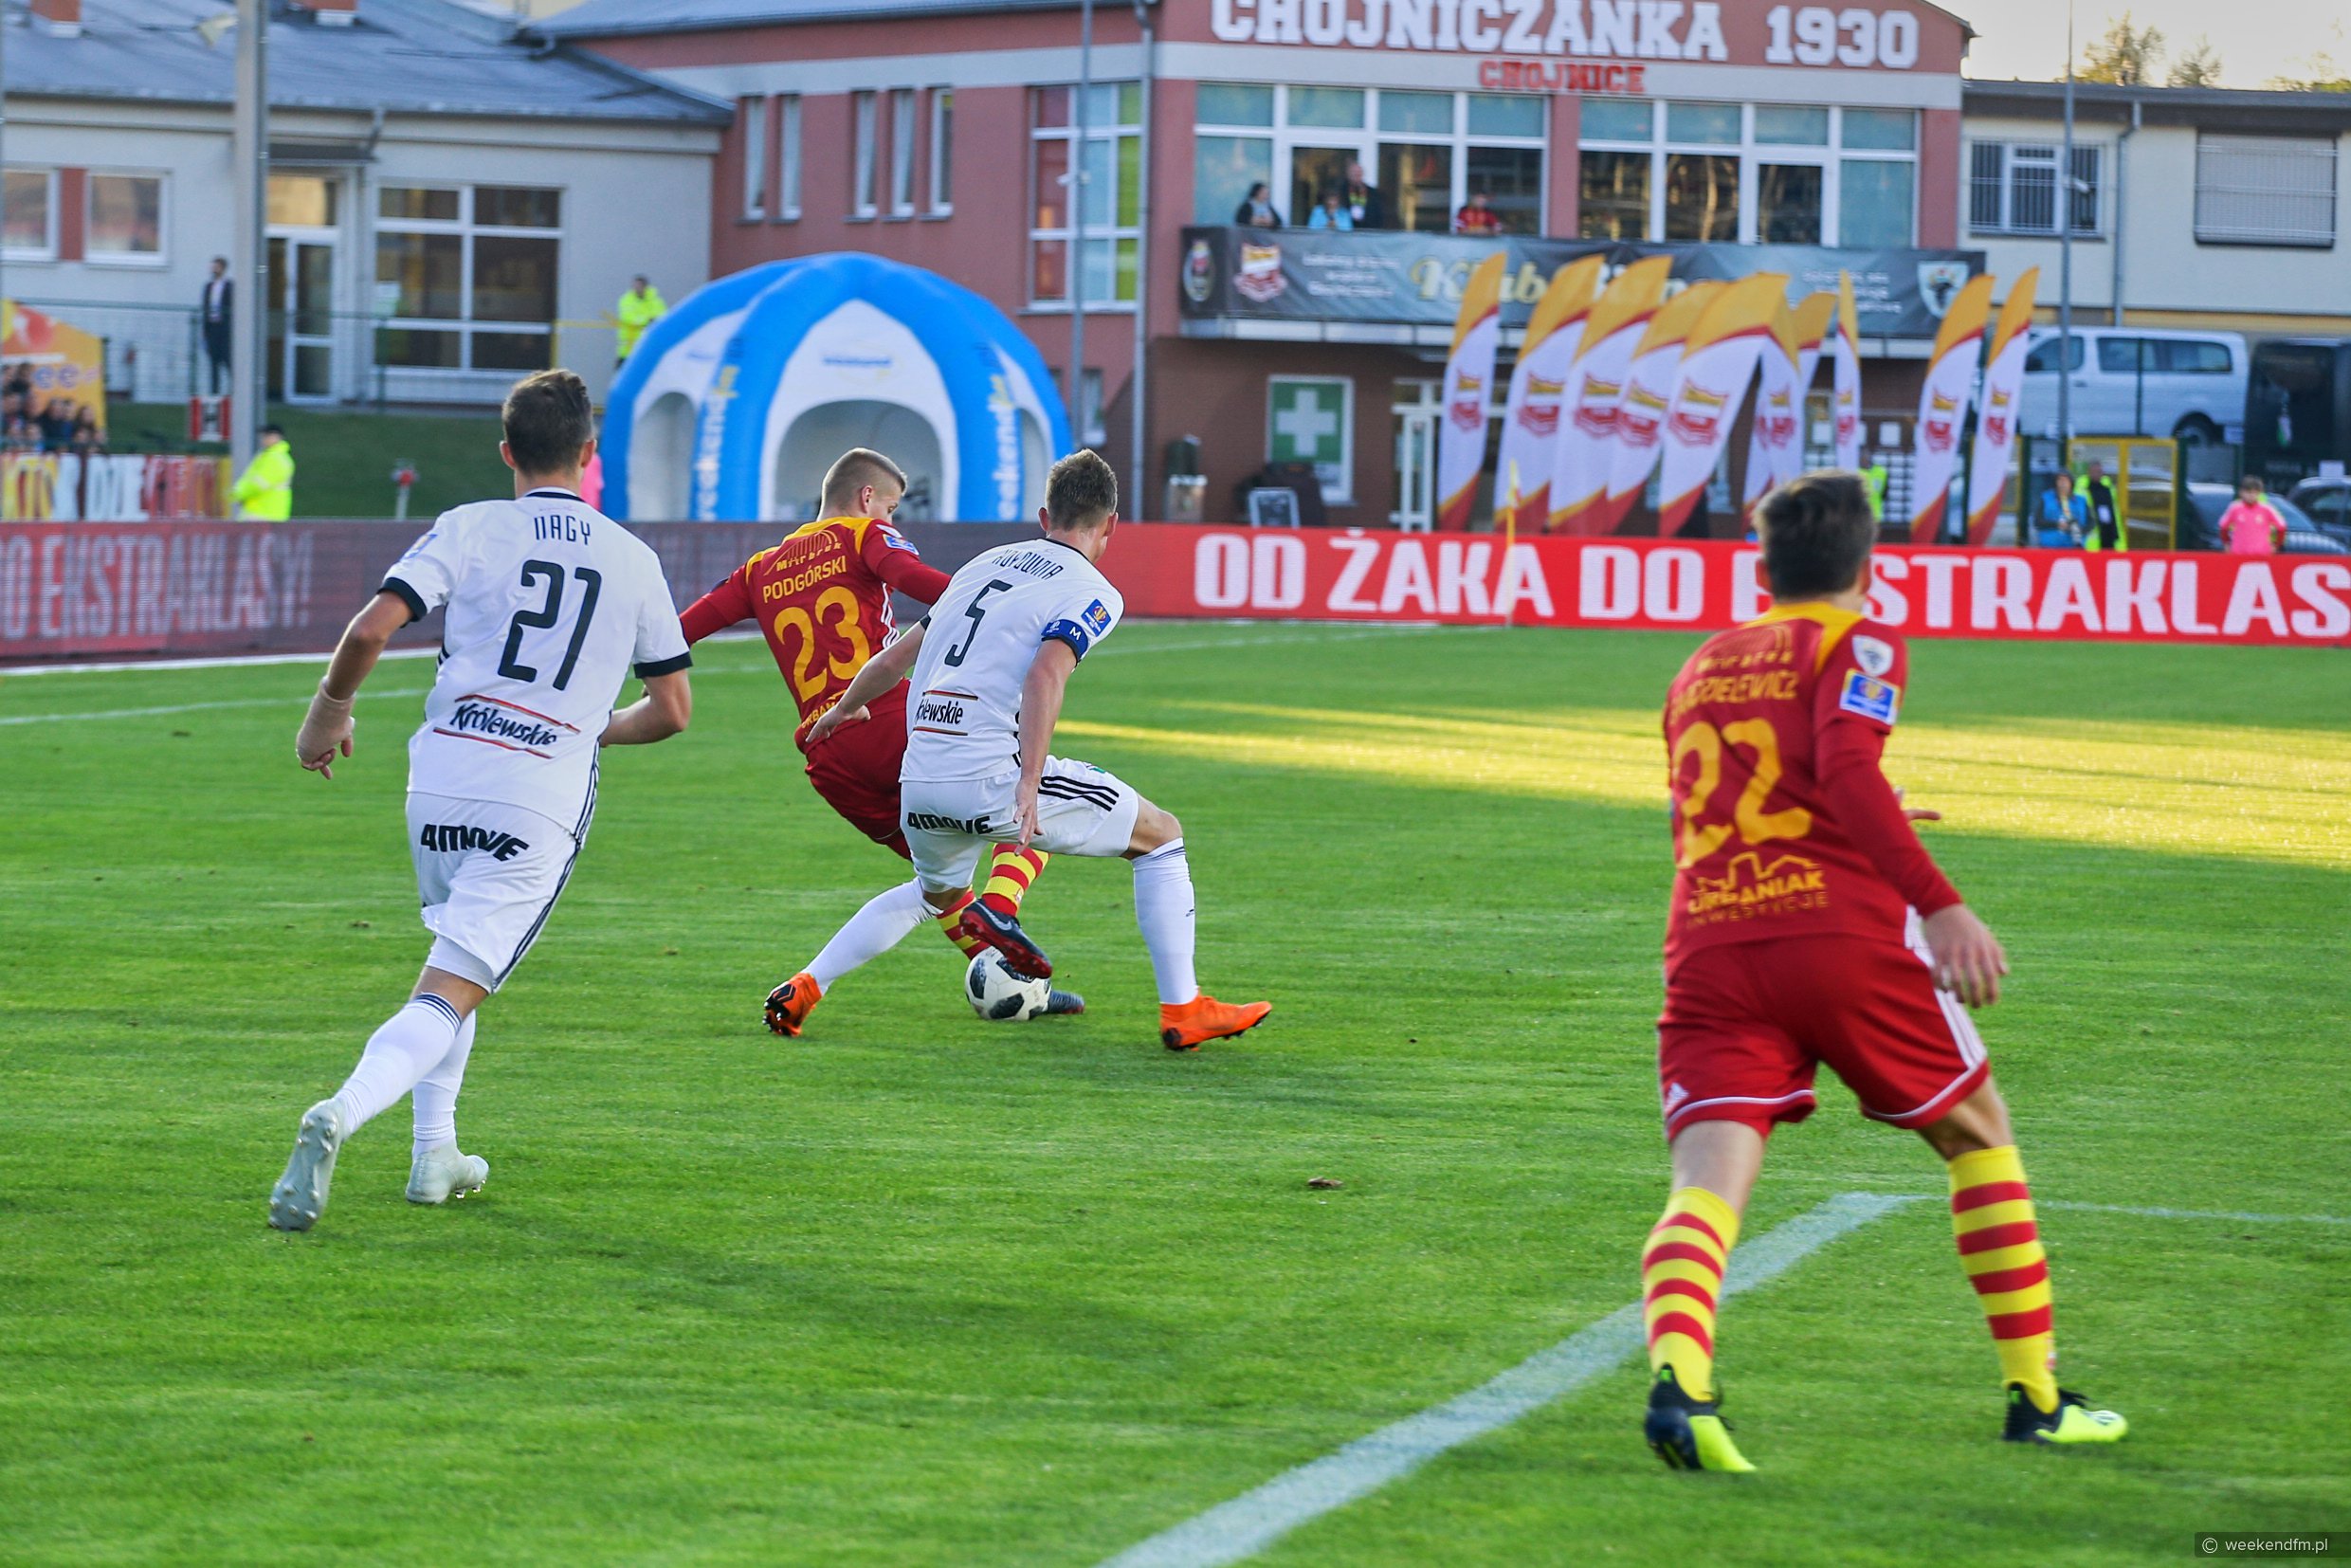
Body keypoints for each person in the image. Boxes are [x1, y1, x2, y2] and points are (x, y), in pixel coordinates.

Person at [1639, 470, 2125, 1471]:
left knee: (1706, 1184)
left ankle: (1681, 1386)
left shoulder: (1699, 664)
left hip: (1711, 944)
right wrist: (1940, 903)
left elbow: (1751, 789)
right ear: (1867, 567)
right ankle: (2036, 1399)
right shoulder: (1857, 639)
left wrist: (1871, 809)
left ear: (1762, 570)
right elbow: (1846, 766)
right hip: (1840, 935)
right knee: (1976, 1134)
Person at [268, 369, 694, 1232]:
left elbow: (370, 629)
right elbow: (673, 710)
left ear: (507, 452)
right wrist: (586, 729)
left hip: (439, 782)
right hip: (536, 799)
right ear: (588, 453)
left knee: (453, 962)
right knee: (451, 988)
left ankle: (436, 1154)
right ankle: (343, 1109)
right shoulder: (634, 558)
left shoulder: (467, 526)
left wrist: (328, 713)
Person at [808, 449, 1271, 1052]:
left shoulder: (980, 566)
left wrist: (843, 709)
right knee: (1161, 837)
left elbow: (895, 658)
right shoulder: (1092, 589)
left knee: (932, 894)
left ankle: (809, 984)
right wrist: (1027, 782)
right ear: (1110, 524)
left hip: (917, 779)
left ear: (1044, 516)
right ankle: (1183, 1008)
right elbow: (1045, 673)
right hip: (989, 775)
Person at [676, 447, 1081, 1033]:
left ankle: (814, 986)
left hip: (827, 756)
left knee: (940, 888)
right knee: (1034, 801)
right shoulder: (864, 535)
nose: (891, 519)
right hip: (887, 718)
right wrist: (1004, 604)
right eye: (891, 508)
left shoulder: (759, 569)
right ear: (868, 498)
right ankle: (1002, 911)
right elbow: (924, 584)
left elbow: (682, 631)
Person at [231, 424, 295, 521]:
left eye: (266, 436)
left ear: (276, 437)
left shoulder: (274, 459)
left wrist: (239, 494)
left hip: (263, 514)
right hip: (266, 513)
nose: (263, 439)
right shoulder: (273, 457)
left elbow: (258, 484)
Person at [2217, 475, 2284, 556]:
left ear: (2259, 493)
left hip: (2262, 554)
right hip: (2238, 554)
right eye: (2248, 492)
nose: (2252, 495)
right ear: (2241, 492)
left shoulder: (2267, 509)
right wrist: (2227, 543)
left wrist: (2276, 545)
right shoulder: (2235, 508)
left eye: (2255, 493)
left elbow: (2281, 527)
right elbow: (2223, 527)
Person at [614, 275, 667, 367]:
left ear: (645, 287)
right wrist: (647, 320)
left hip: (648, 347)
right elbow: (628, 317)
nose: (637, 288)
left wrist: (652, 320)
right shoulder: (626, 300)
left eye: (639, 286)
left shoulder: (656, 301)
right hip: (628, 350)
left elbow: (663, 316)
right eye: (635, 286)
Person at [201, 258, 233, 396]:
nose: (214, 269)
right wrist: (205, 330)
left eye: (217, 267)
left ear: (223, 268)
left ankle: (235, 391)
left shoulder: (229, 286)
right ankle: (214, 394)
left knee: (227, 360)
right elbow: (205, 308)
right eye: (213, 267)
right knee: (213, 362)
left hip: (224, 329)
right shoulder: (209, 286)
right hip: (212, 328)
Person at [2033, 471, 2086, 548]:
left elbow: (2090, 523)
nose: (2063, 483)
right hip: (2049, 547)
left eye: (2065, 480)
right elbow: (2037, 521)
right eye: (2060, 480)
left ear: (2071, 483)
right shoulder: (2046, 498)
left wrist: (2076, 529)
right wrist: (2056, 524)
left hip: (2073, 547)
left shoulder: (2080, 501)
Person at [2080, 461, 2123, 551]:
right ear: (2088, 473)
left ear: (2103, 473)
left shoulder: (2109, 490)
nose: (2096, 474)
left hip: (2110, 535)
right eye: (2093, 471)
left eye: (2099, 471)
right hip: (2094, 539)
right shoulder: (2083, 490)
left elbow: (2115, 513)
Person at [1340, 161, 1385, 229]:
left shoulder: (1372, 192)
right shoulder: (1342, 191)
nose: (1357, 175)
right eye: (1354, 173)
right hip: (1347, 230)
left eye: (1359, 173)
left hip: (1368, 229)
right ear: (1348, 174)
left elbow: (1378, 212)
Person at [1860, 453, 1890, 521]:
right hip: (1859, 515)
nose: (1864, 461)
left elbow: (1885, 494)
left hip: (1875, 515)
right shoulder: (1855, 472)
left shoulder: (1881, 472)